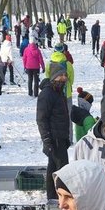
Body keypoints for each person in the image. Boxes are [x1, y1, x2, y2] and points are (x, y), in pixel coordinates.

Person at [37, 63, 71, 202]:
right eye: (61, 75)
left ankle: (52, 196)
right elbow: (41, 119)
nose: (64, 78)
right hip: (54, 138)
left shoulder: (59, 92)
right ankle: (59, 196)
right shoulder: (47, 94)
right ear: (54, 77)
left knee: (53, 166)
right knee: (61, 169)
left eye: (65, 75)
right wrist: (47, 140)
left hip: (61, 137)